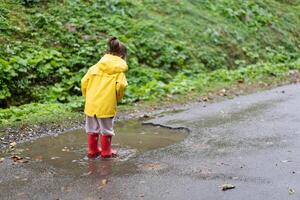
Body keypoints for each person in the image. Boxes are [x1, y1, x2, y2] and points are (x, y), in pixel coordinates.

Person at [81, 37, 128, 158]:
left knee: (92, 128)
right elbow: (121, 86)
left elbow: (83, 82)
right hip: (106, 105)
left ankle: (93, 150)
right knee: (106, 129)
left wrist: (88, 96)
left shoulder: (94, 67)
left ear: (107, 52)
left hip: (91, 104)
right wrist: (117, 98)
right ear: (122, 56)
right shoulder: (118, 72)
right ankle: (106, 152)